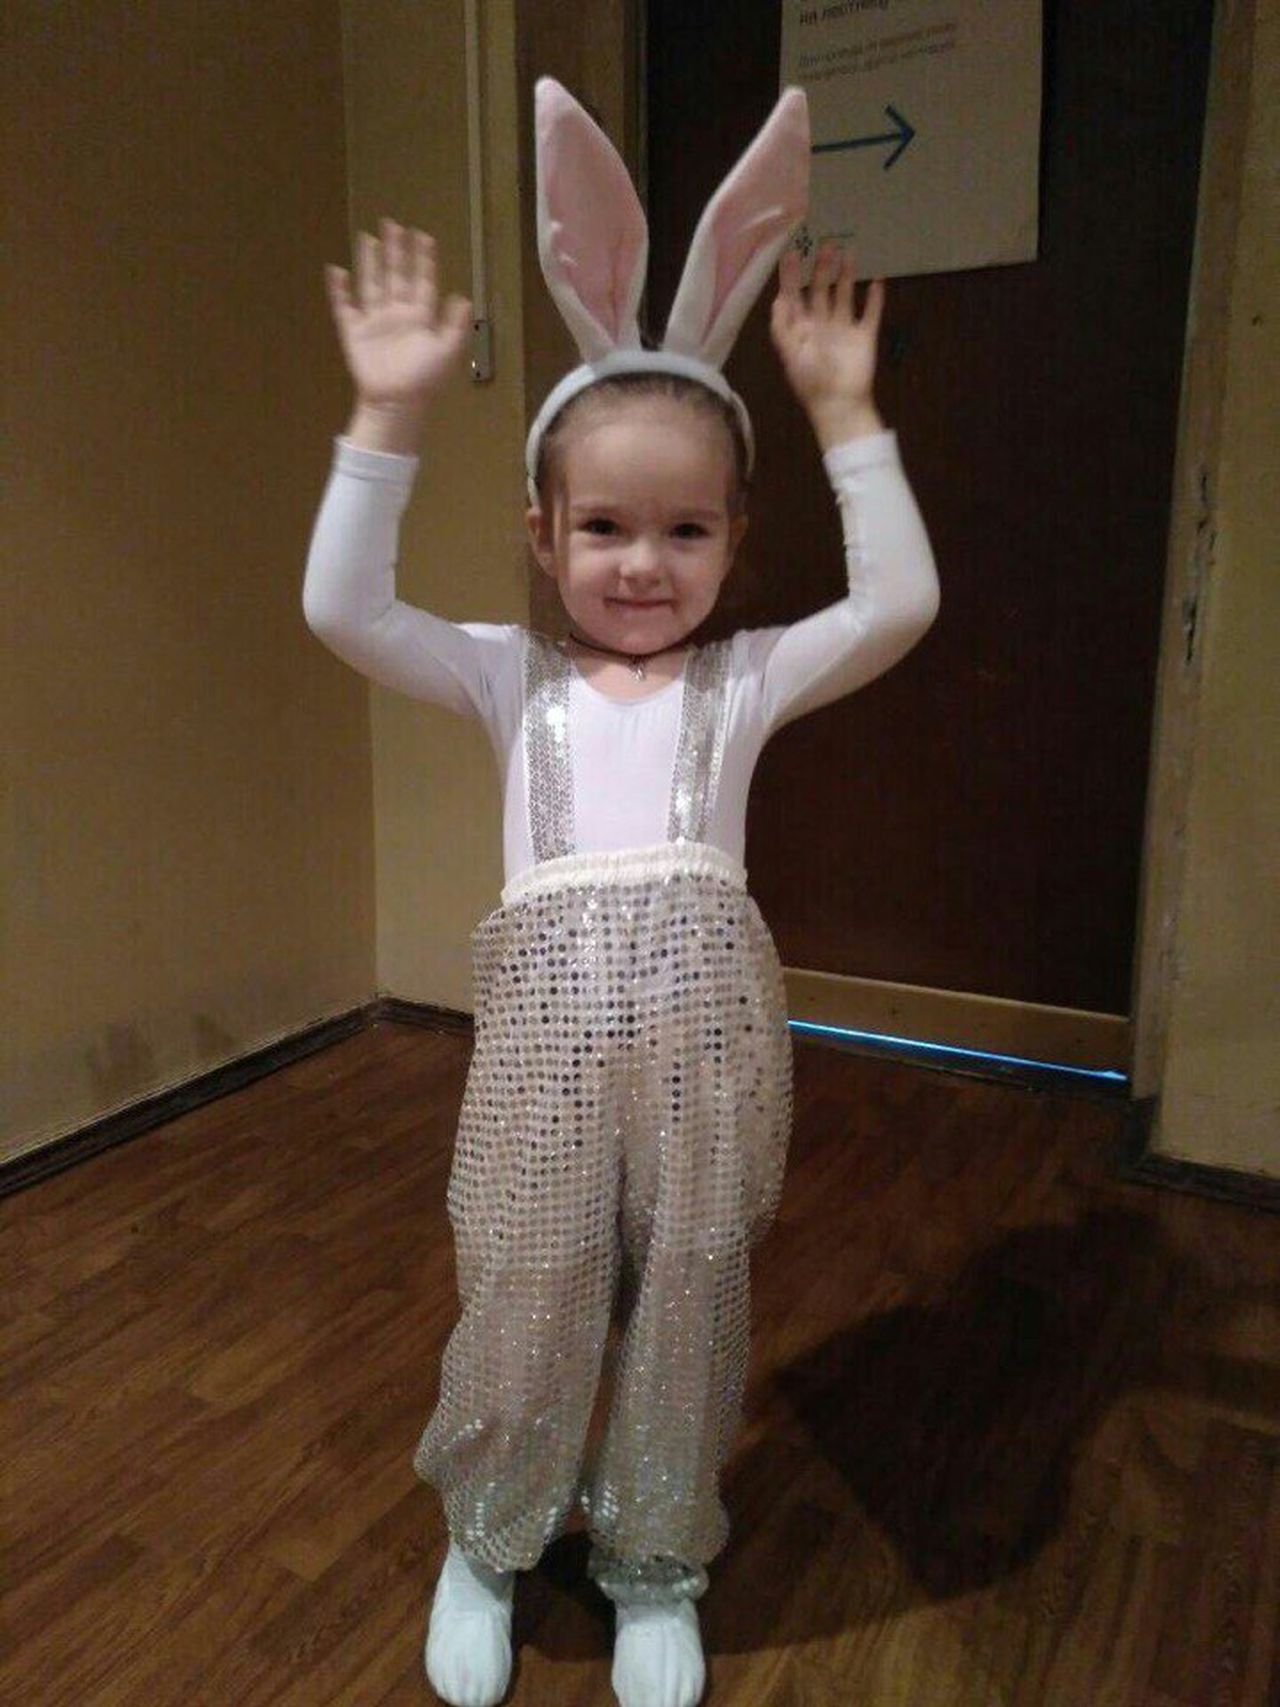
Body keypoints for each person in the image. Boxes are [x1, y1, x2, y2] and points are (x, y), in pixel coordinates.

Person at [302, 79, 938, 1707]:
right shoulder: (508, 680)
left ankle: (657, 1552)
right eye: (603, 526)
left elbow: (898, 604)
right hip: (539, 1069)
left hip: (712, 1060)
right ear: (542, 533)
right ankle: (489, 1536)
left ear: (733, 536)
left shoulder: (747, 681)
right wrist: (385, 418)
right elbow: (345, 607)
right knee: (525, 1292)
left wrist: (847, 413)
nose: (643, 562)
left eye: (685, 529)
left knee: (691, 1298)